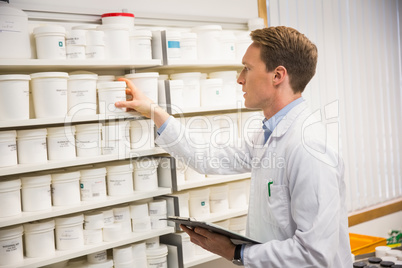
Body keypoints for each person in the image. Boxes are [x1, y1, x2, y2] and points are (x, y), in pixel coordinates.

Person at [115, 26, 353, 267]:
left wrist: (236, 252)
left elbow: (314, 254)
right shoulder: (267, 135)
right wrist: (153, 110)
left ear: (278, 76)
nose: (240, 78)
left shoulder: (309, 147)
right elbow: (207, 156)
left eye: (247, 69)